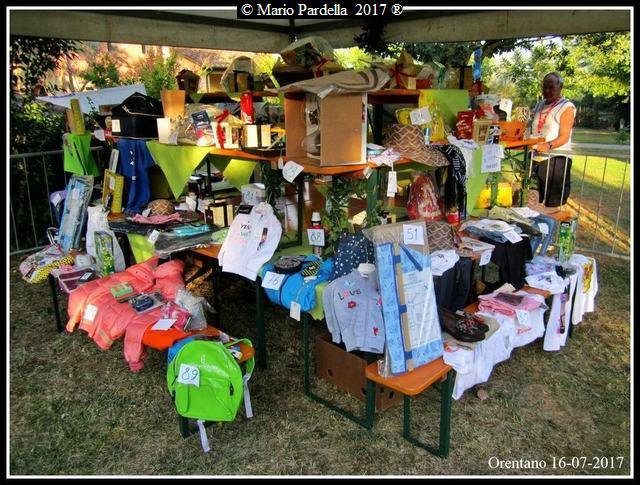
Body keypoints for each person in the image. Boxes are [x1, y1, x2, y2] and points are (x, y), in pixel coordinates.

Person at [530, 72, 576, 207]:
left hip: (556, 160)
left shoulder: (567, 106)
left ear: (560, 87)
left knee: (553, 205)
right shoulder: (539, 105)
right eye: (544, 87)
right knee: (533, 201)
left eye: (551, 87)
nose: (547, 91)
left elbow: (564, 136)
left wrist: (547, 145)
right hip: (536, 158)